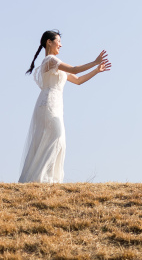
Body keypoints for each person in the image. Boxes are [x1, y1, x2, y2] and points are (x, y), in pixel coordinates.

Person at [19, 30, 111, 183]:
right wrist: (94, 61)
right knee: (56, 136)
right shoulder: (50, 60)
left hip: (55, 104)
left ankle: (48, 179)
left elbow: (78, 80)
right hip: (48, 102)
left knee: (59, 139)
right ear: (49, 42)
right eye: (58, 41)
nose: (61, 45)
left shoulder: (55, 64)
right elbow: (75, 69)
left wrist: (96, 70)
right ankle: (42, 179)